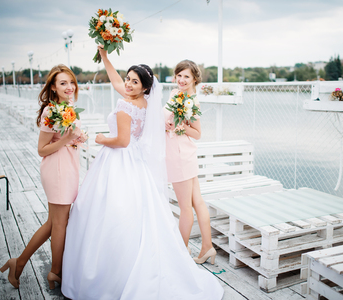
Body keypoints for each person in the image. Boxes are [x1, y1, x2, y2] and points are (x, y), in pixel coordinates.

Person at [61, 46, 224, 299]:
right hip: (136, 163)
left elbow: (123, 140)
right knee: (141, 211)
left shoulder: (126, 105)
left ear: (144, 87)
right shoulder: (147, 103)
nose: (127, 83)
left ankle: (117, 270)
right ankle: (191, 250)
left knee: (114, 211)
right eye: (128, 79)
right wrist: (105, 58)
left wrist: (103, 138)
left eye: (134, 81)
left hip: (120, 159)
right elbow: (116, 80)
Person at [0, 65, 86, 289]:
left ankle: (18, 263)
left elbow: (66, 137)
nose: (69, 87)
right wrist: (68, 139)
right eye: (63, 83)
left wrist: (77, 137)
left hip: (68, 166)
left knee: (53, 223)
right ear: (53, 88)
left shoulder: (68, 107)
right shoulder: (51, 111)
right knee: (59, 224)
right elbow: (42, 149)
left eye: (71, 82)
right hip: (57, 169)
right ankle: (55, 272)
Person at [164, 60, 216, 264]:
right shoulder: (176, 95)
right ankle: (207, 247)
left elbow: (197, 133)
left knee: (185, 208)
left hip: (180, 156)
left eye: (186, 76)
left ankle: (180, 253)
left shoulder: (191, 102)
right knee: (197, 202)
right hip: (182, 153)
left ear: (195, 78)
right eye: (179, 75)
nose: (181, 80)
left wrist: (180, 128)